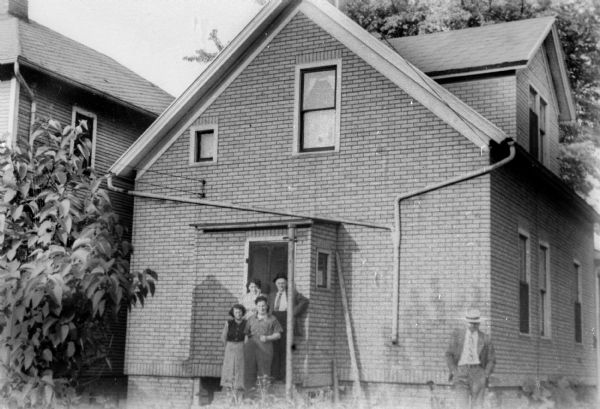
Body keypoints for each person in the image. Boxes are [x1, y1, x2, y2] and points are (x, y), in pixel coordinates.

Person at [445, 309, 496, 409]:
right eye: (471, 323)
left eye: (475, 323)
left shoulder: (485, 338)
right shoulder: (457, 335)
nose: (473, 325)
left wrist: (485, 374)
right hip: (461, 372)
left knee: (477, 406)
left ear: (479, 323)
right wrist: (454, 371)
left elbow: (492, 360)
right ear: (466, 322)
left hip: (478, 373)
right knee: (461, 405)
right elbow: (449, 354)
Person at [267, 274, 309, 382]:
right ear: (276, 285)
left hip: (287, 322)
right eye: (279, 283)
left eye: (283, 283)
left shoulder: (292, 294)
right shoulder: (271, 295)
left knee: (286, 349)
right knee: (274, 349)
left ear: (286, 284)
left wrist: (293, 312)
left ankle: (285, 377)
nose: (281, 285)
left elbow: (305, 301)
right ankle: (274, 376)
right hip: (274, 322)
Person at [244, 295, 283, 390]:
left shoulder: (272, 319)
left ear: (267, 306)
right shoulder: (251, 319)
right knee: (249, 370)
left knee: (264, 371)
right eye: (259, 306)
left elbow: (278, 335)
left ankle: (263, 396)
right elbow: (246, 333)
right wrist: (246, 345)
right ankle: (249, 395)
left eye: (263, 305)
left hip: (265, 348)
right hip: (251, 348)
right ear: (256, 307)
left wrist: (267, 337)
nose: (261, 308)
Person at [220, 304, 248, 396]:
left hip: (241, 347)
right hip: (230, 347)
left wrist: (244, 346)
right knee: (229, 368)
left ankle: (238, 394)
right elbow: (223, 337)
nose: (238, 314)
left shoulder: (246, 323)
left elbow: (247, 338)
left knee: (239, 368)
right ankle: (229, 393)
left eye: (240, 312)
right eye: (236, 312)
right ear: (233, 313)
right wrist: (228, 347)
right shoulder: (228, 323)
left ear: (242, 313)